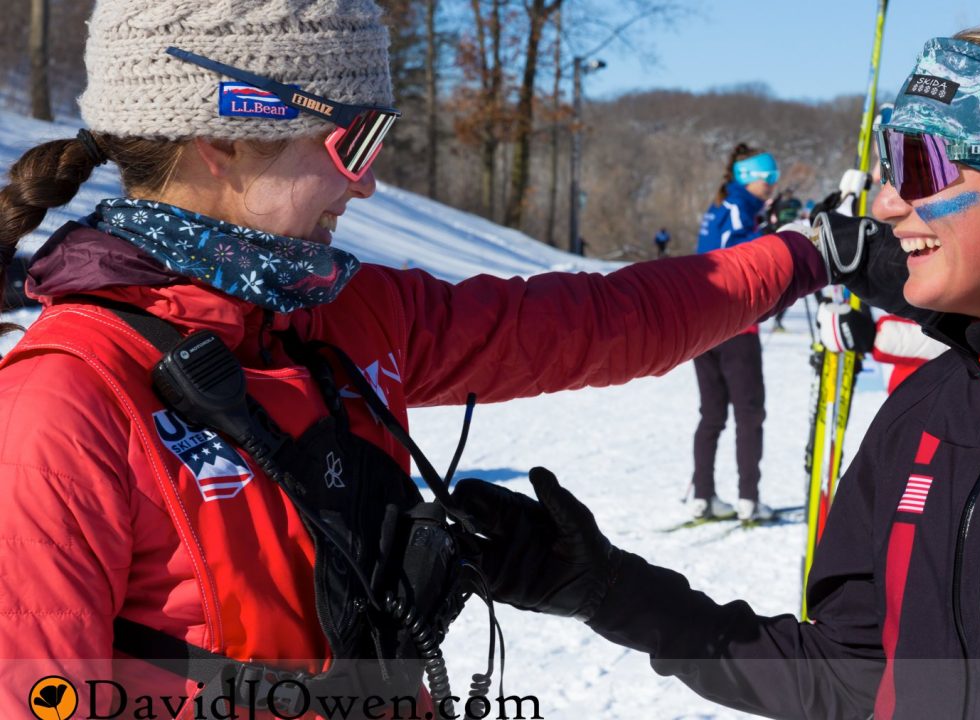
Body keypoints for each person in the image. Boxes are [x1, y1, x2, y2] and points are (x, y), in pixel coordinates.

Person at [0, 1, 858, 715]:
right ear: (221, 134)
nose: (367, 183)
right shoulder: (67, 403)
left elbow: (602, 321)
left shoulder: (343, 314)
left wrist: (809, 255)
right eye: (354, 142)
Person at [450, 21, 980, 719]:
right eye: (888, 161)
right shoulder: (923, 416)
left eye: (920, 165)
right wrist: (610, 592)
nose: (885, 202)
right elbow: (850, 677)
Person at [688, 144, 778, 521]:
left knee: (712, 414)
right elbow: (731, 255)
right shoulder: (739, 208)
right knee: (748, 413)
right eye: (768, 178)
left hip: (703, 327)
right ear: (749, 178)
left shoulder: (722, 205)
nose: (772, 186)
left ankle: (703, 496)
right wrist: (774, 240)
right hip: (733, 326)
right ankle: (748, 500)